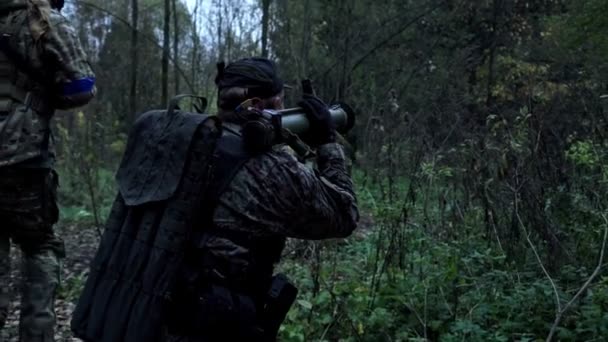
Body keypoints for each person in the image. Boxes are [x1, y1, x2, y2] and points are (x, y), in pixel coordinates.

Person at [166, 57, 359, 341]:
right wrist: (327, 142)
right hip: (216, 323)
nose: (283, 108)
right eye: (280, 101)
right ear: (258, 106)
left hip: (156, 307)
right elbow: (345, 215)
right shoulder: (272, 169)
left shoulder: (181, 141)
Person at [0, 0, 96, 340]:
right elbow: (81, 87)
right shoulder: (43, 22)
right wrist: (45, 96)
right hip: (24, 159)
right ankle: (36, 332)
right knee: (40, 246)